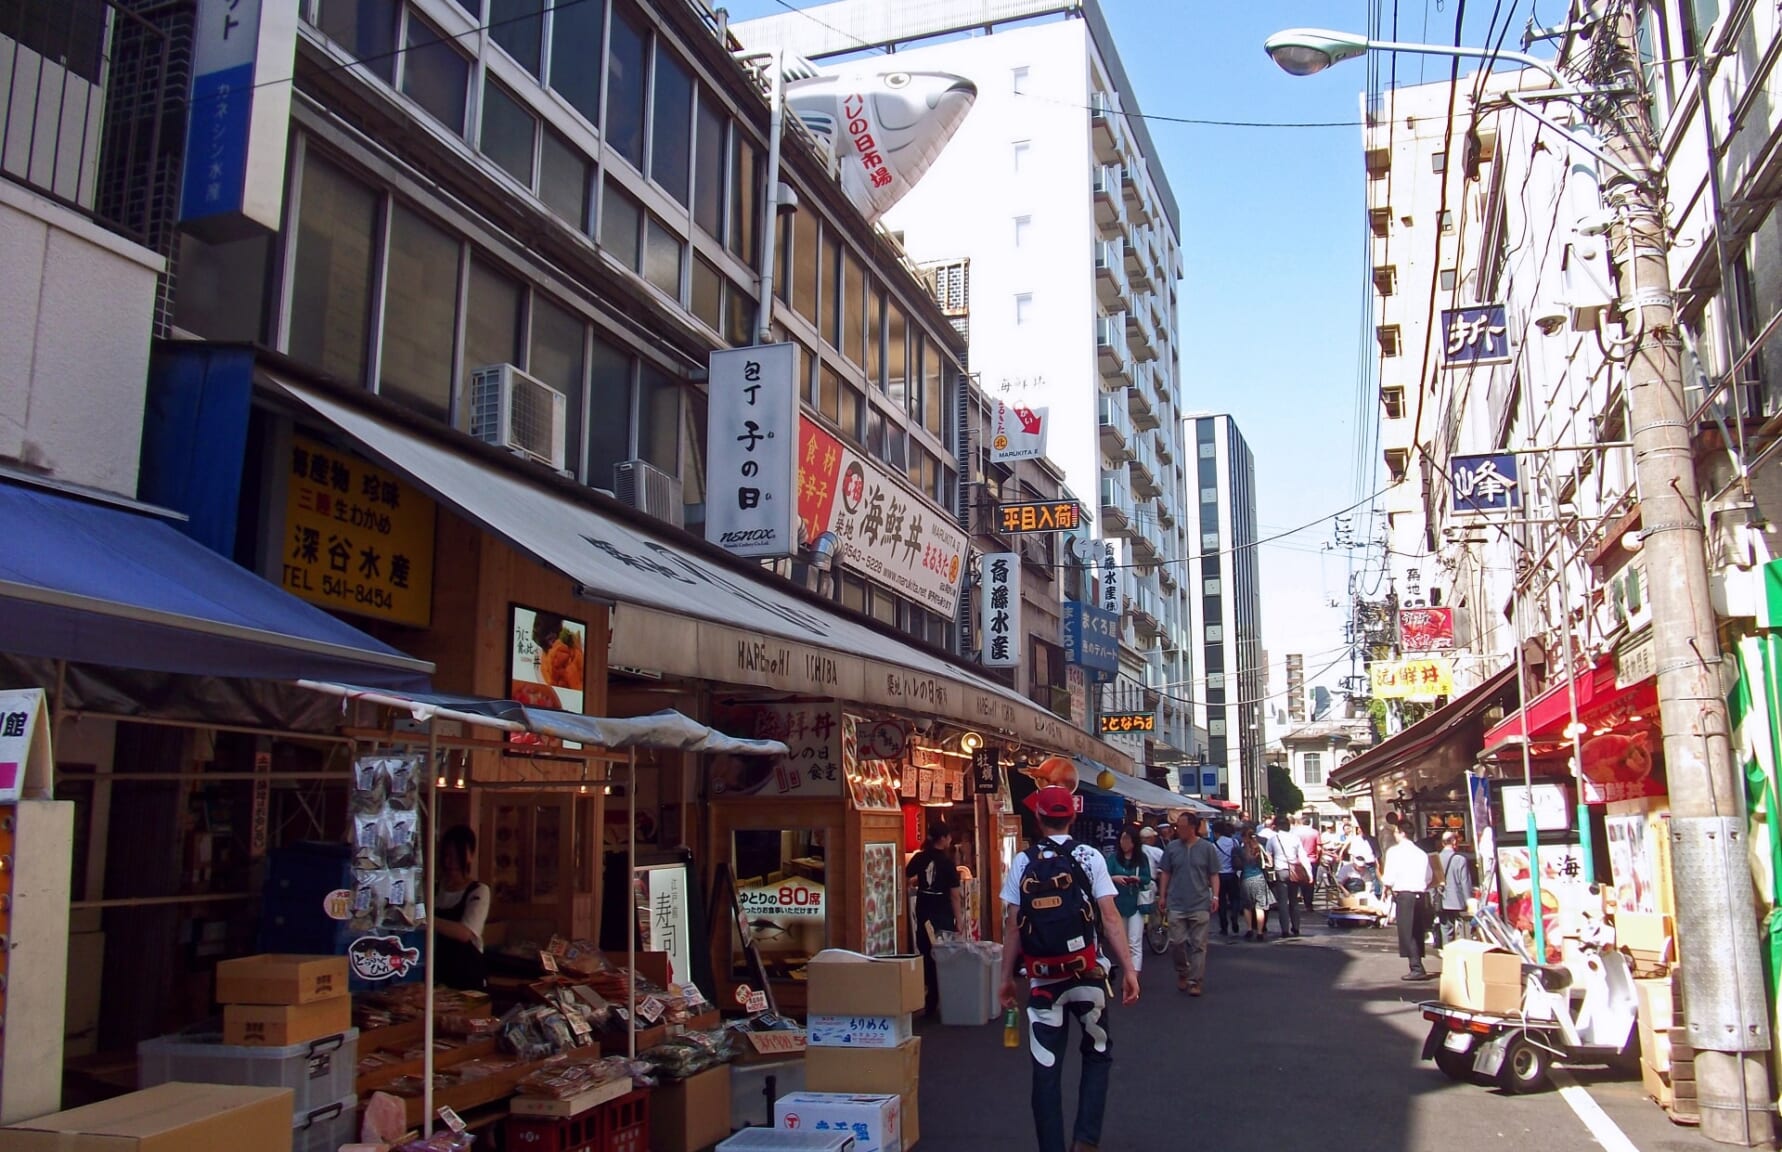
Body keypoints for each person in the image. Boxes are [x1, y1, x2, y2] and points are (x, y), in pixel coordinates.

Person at [999, 786, 1139, 1152]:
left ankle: (1051, 1147)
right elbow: (1110, 917)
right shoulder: (1089, 856)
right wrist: (1129, 969)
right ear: (1073, 816)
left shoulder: (1023, 861)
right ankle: (1086, 1139)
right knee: (1097, 1051)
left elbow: (1013, 926)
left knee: (1046, 1067)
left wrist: (1005, 978)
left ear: (1039, 818)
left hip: (1044, 979)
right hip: (1088, 973)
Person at [1157, 812, 1221, 995]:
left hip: (1200, 902)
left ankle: (1195, 981)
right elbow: (1166, 872)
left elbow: (1214, 874)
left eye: (1182, 827)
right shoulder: (1172, 848)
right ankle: (1182, 971)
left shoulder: (1207, 848)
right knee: (1176, 942)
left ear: (1193, 827)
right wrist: (1162, 896)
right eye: (1177, 827)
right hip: (1176, 902)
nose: (1179, 830)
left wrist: (1215, 896)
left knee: (1199, 945)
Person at [907, 823, 964, 1017]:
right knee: (943, 955)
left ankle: (930, 998)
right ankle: (942, 996)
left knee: (926, 953)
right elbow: (955, 895)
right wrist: (960, 920)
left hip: (924, 910)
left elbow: (905, 874)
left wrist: (915, 883)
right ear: (944, 838)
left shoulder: (920, 857)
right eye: (949, 837)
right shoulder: (948, 863)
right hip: (942, 913)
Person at [433, 825, 490, 991]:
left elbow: (465, 933)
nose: (451, 862)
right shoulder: (434, 888)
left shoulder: (479, 891)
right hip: (439, 970)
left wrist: (428, 920)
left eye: (457, 856)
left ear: (470, 856)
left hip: (468, 973)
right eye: (447, 855)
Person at [1383, 824, 1437, 980]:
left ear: (1402, 833)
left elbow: (1389, 876)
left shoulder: (1394, 852)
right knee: (1417, 930)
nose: (1394, 835)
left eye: (1395, 832)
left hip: (1404, 894)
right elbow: (1429, 876)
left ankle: (1416, 967)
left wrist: (1387, 886)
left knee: (1408, 931)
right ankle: (1417, 964)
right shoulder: (1421, 853)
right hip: (1420, 894)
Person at [1104, 825, 1152, 976]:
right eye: (1122, 839)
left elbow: (1147, 878)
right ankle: (1128, 970)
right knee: (1122, 942)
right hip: (1118, 904)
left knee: (1134, 941)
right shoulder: (1113, 859)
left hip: (1136, 903)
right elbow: (1104, 877)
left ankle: (1133, 975)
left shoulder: (1141, 858)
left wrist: (1138, 879)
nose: (1124, 843)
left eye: (1128, 840)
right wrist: (1115, 878)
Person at [1263, 814, 1310, 938]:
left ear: (1277, 826)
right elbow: (1303, 856)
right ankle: (1296, 927)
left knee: (1282, 902)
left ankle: (1284, 930)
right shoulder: (1295, 838)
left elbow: (1268, 856)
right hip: (1294, 871)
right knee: (1294, 901)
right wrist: (1309, 873)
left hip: (1280, 871)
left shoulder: (1273, 839)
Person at [1236, 825, 1276, 939]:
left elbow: (1236, 865)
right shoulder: (1259, 847)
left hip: (1246, 879)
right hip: (1259, 878)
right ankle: (1260, 932)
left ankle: (1249, 929)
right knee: (1260, 906)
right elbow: (1270, 862)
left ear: (1244, 837)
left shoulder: (1240, 850)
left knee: (1247, 906)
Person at [1437, 830, 1477, 944]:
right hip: (1458, 901)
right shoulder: (1460, 859)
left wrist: (1434, 899)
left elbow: (1433, 882)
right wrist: (1469, 901)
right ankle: (1463, 955)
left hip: (1442, 901)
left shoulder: (1436, 858)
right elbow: (1465, 882)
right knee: (1463, 929)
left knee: (1445, 929)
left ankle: (1448, 954)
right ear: (1454, 841)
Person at [1212, 821, 1242, 937]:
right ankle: (1234, 914)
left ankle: (1224, 926)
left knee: (1222, 901)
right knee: (1235, 898)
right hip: (1232, 874)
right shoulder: (1234, 842)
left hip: (1219, 876)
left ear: (1216, 832)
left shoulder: (1214, 846)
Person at [1293, 813, 1322, 912]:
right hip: (1311, 860)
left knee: (1299, 881)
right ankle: (1308, 904)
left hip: (1298, 860)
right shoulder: (1315, 832)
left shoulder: (1295, 832)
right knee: (1310, 882)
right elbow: (1319, 848)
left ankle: (1298, 900)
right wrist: (1318, 858)